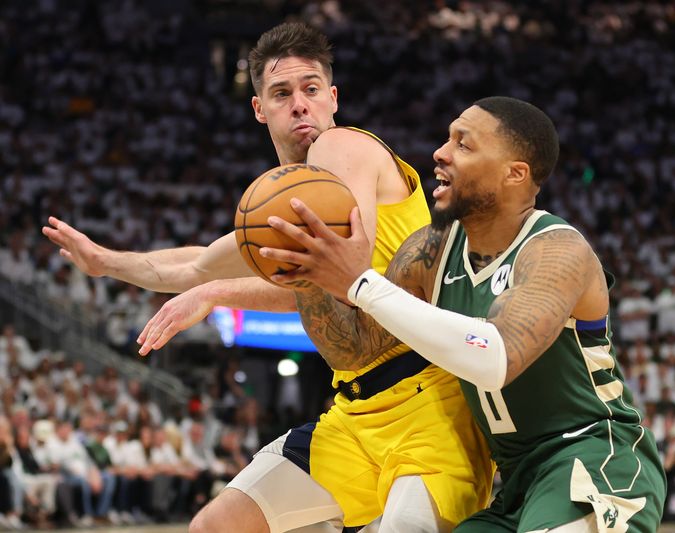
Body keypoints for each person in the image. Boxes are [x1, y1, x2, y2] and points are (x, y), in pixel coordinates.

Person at [42, 22, 492, 533]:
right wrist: (108, 263)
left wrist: (215, 293)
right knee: (214, 526)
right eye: (282, 93)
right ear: (259, 109)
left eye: (311, 89)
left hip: (431, 402)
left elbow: (345, 267)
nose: (300, 104)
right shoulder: (282, 204)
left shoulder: (341, 149)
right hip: (354, 414)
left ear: (334, 100)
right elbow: (195, 265)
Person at [261, 96, 667, 532]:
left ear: (515, 174)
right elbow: (355, 351)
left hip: (594, 459)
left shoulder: (557, 250)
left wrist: (362, 283)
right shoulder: (429, 251)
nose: (440, 152)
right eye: (447, 138)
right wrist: (306, 273)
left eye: (464, 145)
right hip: (515, 483)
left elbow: (495, 359)